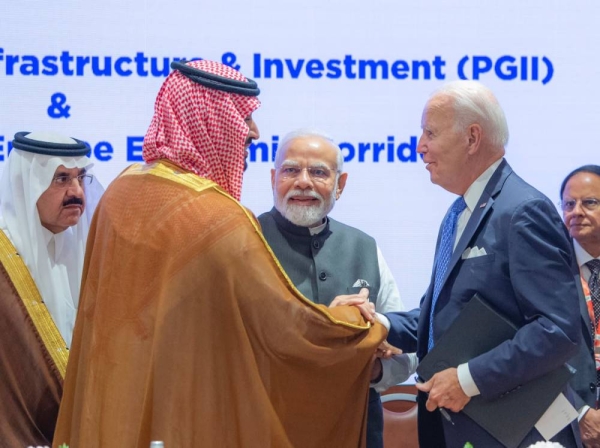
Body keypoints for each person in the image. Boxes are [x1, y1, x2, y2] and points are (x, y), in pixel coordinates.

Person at [53, 60, 387, 448]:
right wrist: (355, 323)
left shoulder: (119, 192)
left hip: (116, 410)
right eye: (243, 119)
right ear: (210, 120)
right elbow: (282, 328)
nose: (253, 133)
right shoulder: (216, 216)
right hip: (186, 416)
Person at [385, 81, 582, 447]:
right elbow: (441, 320)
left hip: (519, 433)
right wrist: (379, 324)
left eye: (430, 132)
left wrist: (467, 379)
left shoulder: (523, 211)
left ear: (472, 138)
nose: (420, 146)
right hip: (461, 430)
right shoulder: (456, 214)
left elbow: (558, 330)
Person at [258, 129, 418, 448]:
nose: (303, 181)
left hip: (357, 428)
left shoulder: (364, 247)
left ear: (340, 185)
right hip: (271, 426)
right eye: (291, 170)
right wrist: (332, 329)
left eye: (318, 172)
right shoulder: (247, 241)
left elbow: (406, 355)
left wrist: (369, 369)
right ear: (274, 178)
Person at [0, 131, 103, 446]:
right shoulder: (6, 262)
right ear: (27, 185)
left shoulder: (84, 252)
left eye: (79, 178)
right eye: (61, 179)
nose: (76, 192)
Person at [560, 165, 600, 446]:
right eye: (569, 204)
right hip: (565, 424)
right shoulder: (546, 268)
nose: (576, 212)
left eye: (589, 203)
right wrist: (579, 412)